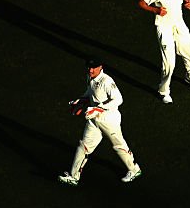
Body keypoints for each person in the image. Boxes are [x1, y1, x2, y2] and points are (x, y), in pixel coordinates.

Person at [59, 57, 142, 186]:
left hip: (109, 120)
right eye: (89, 67)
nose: (90, 70)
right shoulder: (90, 78)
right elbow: (90, 93)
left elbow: (118, 100)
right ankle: (73, 176)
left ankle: (134, 169)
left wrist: (98, 108)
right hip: (93, 120)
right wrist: (81, 100)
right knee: (83, 146)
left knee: (118, 146)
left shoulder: (107, 81)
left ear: (100, 67)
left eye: (93, 68)